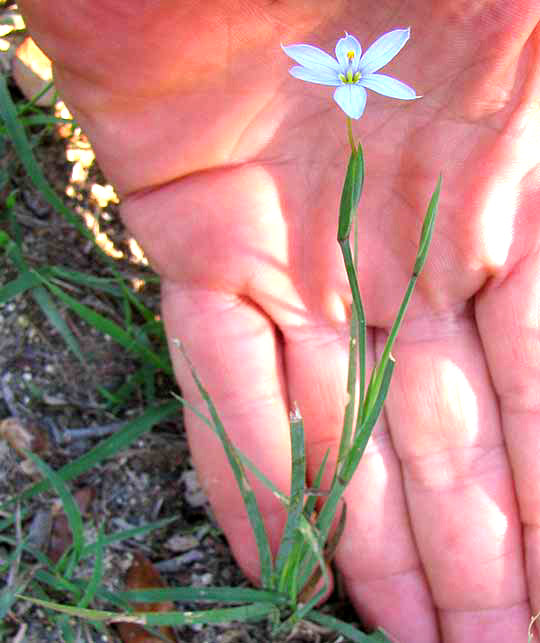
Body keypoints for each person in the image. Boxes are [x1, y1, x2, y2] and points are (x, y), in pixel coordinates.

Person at [18, 2, 540, 641]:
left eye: (353, 69)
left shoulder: (370, 80)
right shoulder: (343, 80)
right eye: (344, 69)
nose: (349, 71)